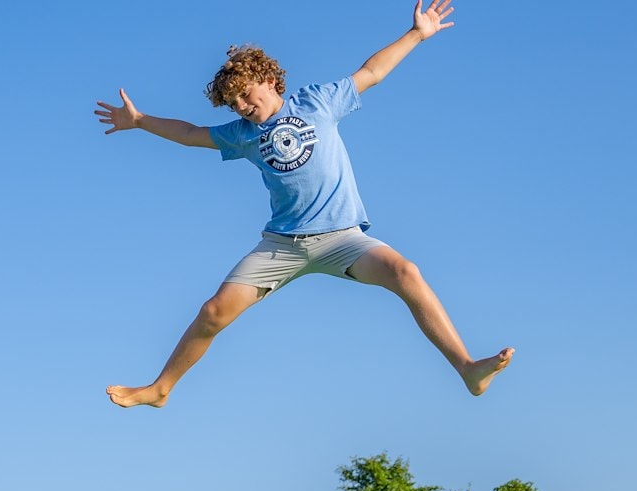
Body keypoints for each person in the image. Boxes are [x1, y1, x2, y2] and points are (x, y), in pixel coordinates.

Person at [95, 0, 512, 409]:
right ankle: (160, 388)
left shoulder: (317, 102)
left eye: (244, 94)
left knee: (406, 272)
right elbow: (190, 132)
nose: (241, 106)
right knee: (213, 311)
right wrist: (140, 121)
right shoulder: (241, 134)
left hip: (342, 239)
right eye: (232, 102)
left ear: (269, 80)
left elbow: (372, 71)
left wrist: (418, 34)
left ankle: (467, 368)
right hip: (282, 244)